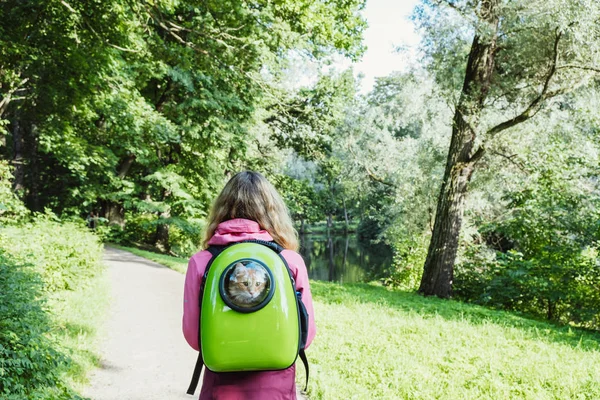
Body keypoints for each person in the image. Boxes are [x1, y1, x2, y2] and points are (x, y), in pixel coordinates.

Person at [183, 171, 316, 400]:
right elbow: (306, 336)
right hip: (276, 386)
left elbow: (195, 339)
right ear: (273, 212)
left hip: (221, 385)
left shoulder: (201, 262)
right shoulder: (289, 261)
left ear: (221, 210)